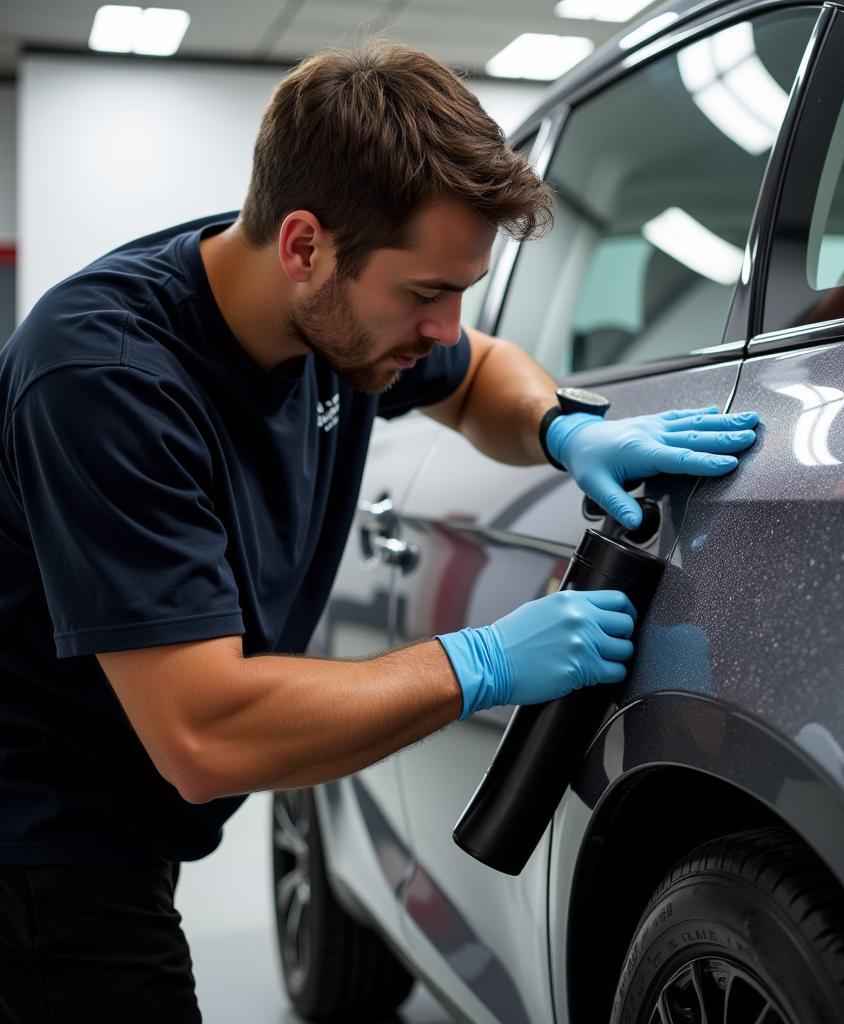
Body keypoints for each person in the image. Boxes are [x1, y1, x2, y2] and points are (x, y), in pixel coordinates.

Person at [0, 42, 759, 1022]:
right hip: (40, 835)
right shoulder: (104, 380)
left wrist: (563, 428)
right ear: (305, 246)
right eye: (424, 293)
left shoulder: (330, 315)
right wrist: (476, 662)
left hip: (124, 808)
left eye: (459, 290)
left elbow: (476, 370)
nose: (443, 326)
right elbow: (203, 730)